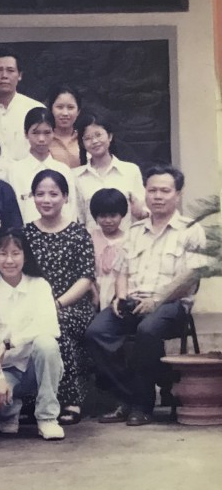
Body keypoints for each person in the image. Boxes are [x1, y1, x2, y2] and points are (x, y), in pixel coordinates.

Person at [85, 165, 206, 427]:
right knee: (97, 332)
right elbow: (121, 270)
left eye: (165, 190)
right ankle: (129, 396)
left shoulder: (191, 230)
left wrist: (157, 300)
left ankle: (142, 405)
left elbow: (190, 277)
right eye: (152, 190)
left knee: (147, 330)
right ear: (145, 193)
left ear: (178, 194)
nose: (158, 196)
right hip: (133, 300)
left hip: (171, 305)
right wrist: (120, 296)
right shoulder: (135, 231)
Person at [23, 169, 97, 425]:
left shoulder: (79, 233)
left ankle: (70, 399)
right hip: (33, 305)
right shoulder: (25, 234)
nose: (46, 200)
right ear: (33, 197)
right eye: (40, 194)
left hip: (72, 306)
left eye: (53, 194)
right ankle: (30, 398)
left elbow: (86, 278)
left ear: (65, 197)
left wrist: (57, 304)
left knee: (57, 326)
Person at [0, 229, 65, 440]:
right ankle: (10, 411)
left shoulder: (39, 285)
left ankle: (47, 417)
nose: (9, 260)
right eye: (3, 253)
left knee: (47, 344)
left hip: (35, 366)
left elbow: (49, 326)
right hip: (6, 369)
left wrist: (8, 343)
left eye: (16, 253)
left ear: (25, 256)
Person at [73, 113, 147, 229]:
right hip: (92, 239)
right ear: (82, 144)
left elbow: (144, 211)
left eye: (98, 135)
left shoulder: (131, 171)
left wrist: (141, 213)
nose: (94, 141)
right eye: (88, 138)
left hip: (127, 239)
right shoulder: (75, 176)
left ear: (110, 136)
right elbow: (78, 218)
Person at [7, 107, 77, 224]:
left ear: (54, 133)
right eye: (35, 133)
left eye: (47, 132)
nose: (41, 139)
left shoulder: (63, 170)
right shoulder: (14, 171)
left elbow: (71, 211)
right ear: (26, 134)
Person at [87, 187, 129, 311]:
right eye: (102, 216)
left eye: (113, 215)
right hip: (93, 289)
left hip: (119, 291)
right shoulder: (90, 236)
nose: (108, 221)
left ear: (122, 214)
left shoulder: (129, 239)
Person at [47, 84, 82, 169]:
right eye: (60, 107)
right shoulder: (44, 140)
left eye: (70, 107)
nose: (65, 113)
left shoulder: (85, 139)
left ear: (78, 111)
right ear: (51, 109)